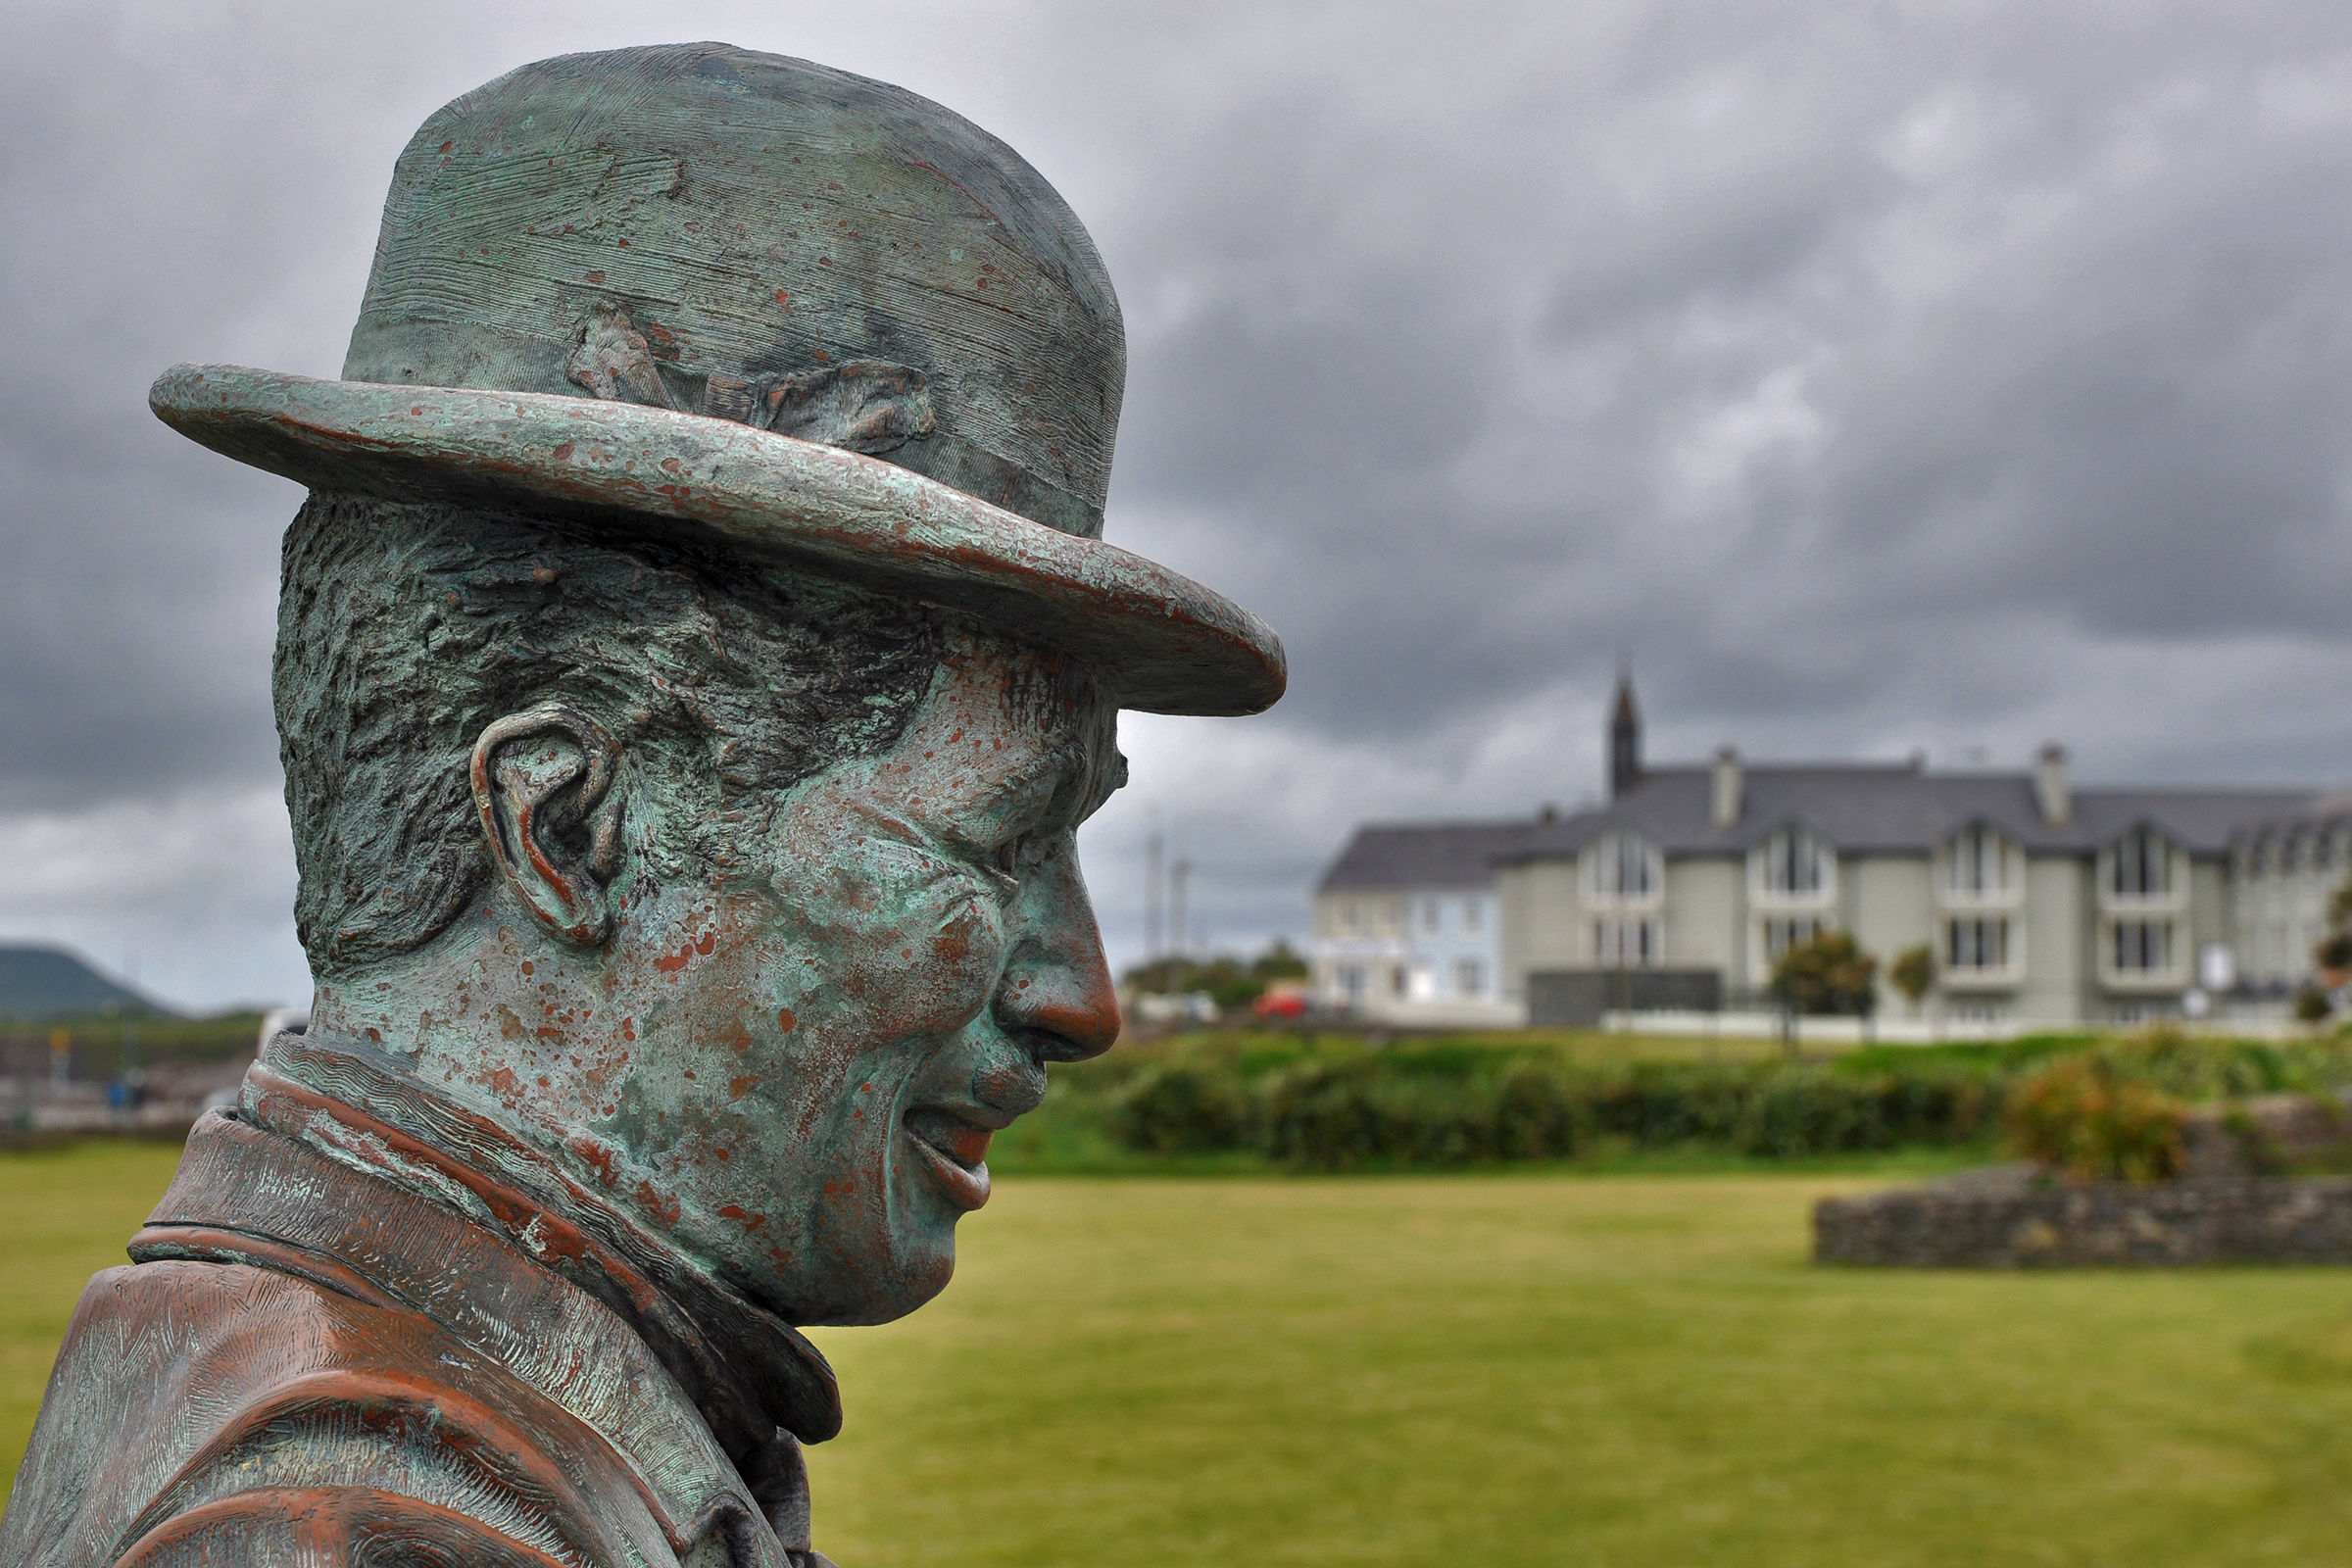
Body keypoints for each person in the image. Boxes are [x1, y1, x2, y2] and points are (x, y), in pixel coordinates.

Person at [1, 42, 1281, 1568]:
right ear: (566, 824)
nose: (1083, 997)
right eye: (995, 839)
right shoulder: (368, 1523)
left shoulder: (456, 1412)